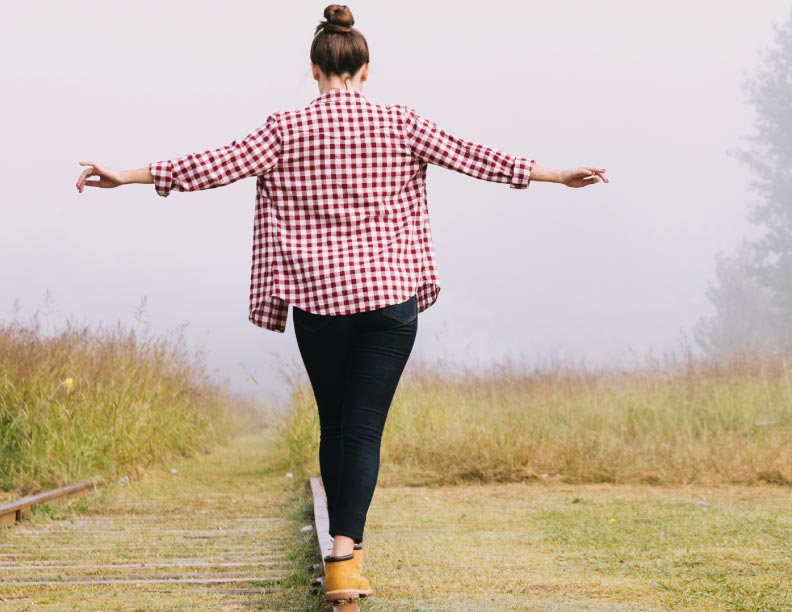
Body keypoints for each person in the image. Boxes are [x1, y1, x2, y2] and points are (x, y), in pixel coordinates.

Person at [75, 4, 608, 602]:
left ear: (313, 69)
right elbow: (477, 156)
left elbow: (209, 166)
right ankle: (344, 556)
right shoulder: (400, 122)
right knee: (363, 430)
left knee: (335, 424)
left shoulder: (284, 128)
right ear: (365, 69)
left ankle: (341, 552)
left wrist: (128, 174)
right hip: (389, 300)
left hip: (318, 303)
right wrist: (557, 174)